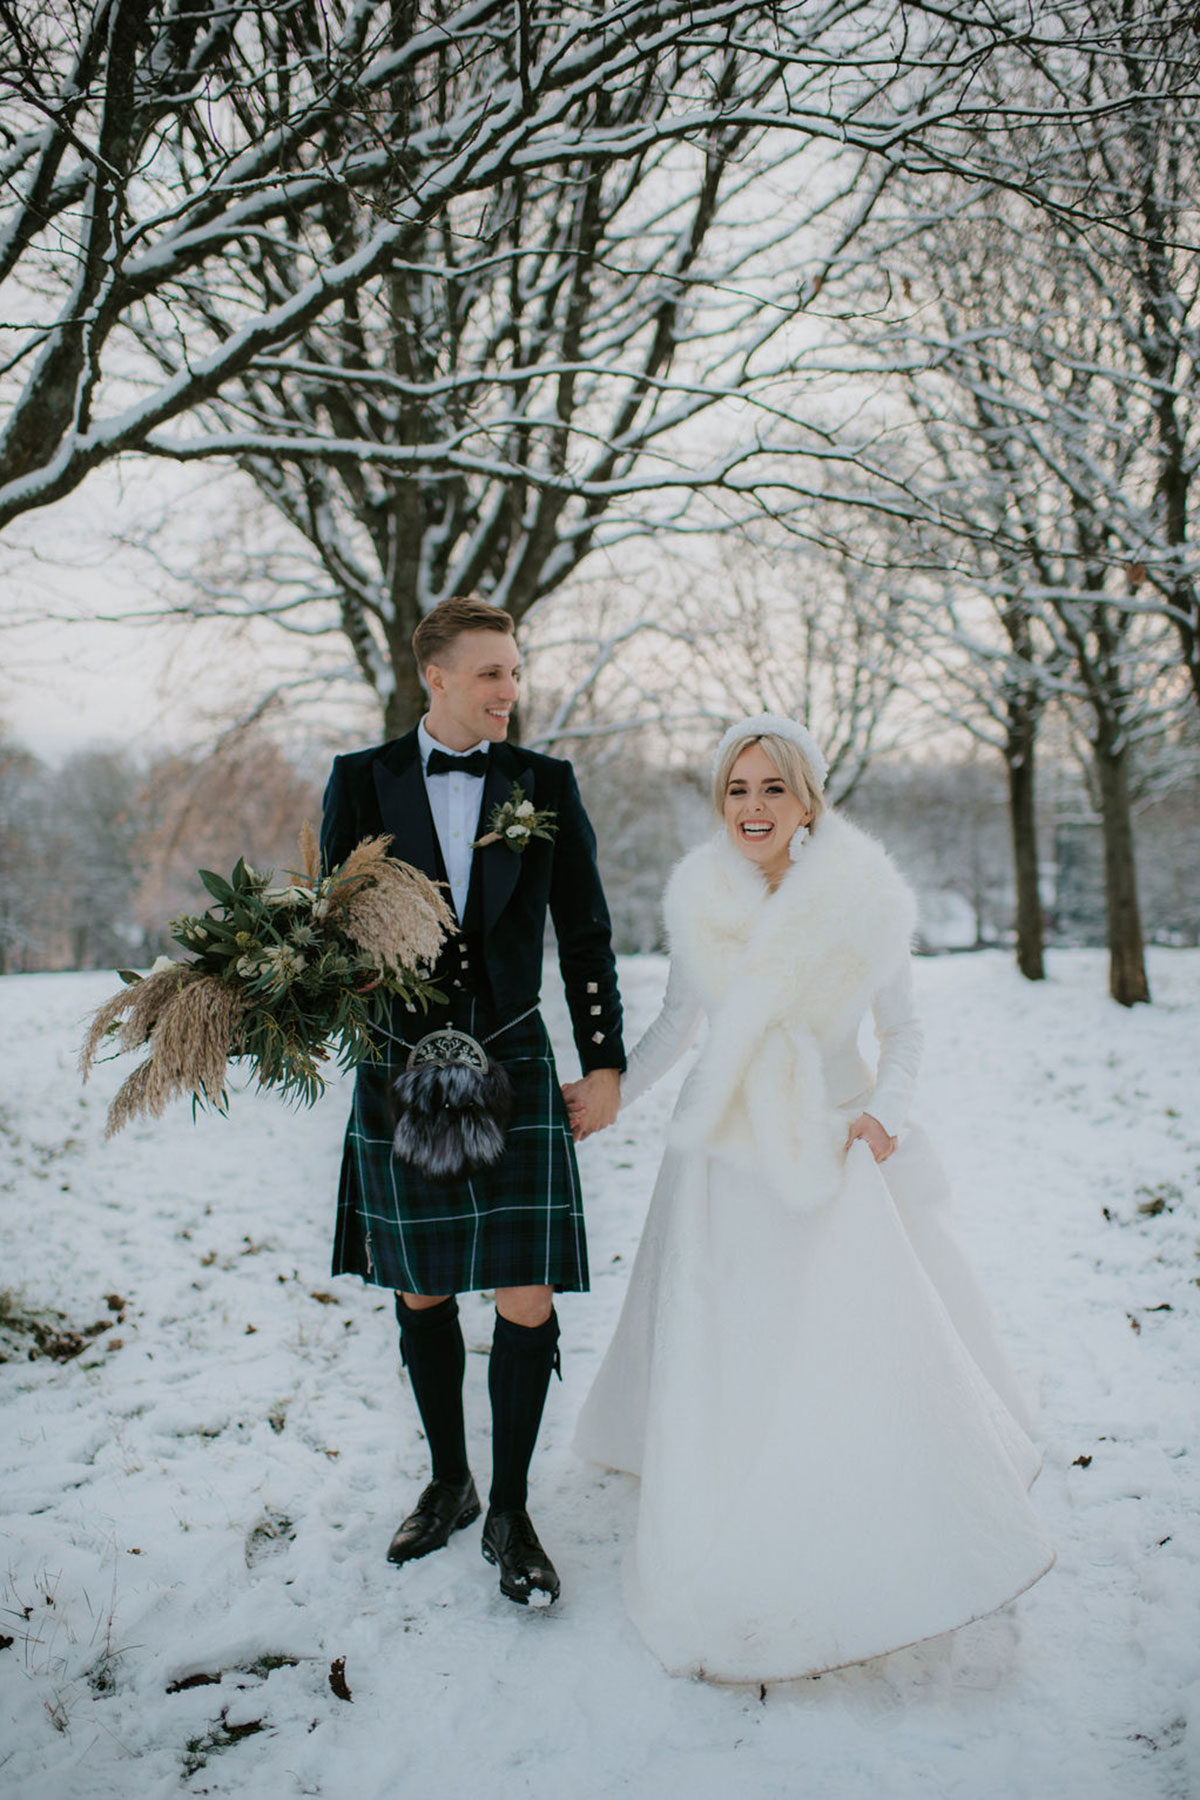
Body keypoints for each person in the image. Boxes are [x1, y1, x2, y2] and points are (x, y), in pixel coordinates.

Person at [571, 714, 1054, 1681]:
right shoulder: (701, 895)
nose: (752, 808)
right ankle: (723, 1482)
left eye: (772, 789)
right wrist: (611, 1092)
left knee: (830, 1338)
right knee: (727, 1338)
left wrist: (886, 1113)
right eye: (737, 790)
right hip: (721, 1155)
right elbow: (679, 1020)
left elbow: (905, 1031)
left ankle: (841, 1491)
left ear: (808, 799)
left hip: (827, 1144)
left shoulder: (862, 899)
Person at [321, 596, 624, 1606]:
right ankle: (449, 1480)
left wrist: (606, 1061)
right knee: (421, 1282)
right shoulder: (360, 783)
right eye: (491, 672)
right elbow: (332, 929)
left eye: (516, 672)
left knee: (525, 1285)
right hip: (403, 1064)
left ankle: (511, 1506)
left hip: (513, 1059)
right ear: (436, 677)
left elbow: (585, 933)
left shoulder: (544, 784)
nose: (510, 690)